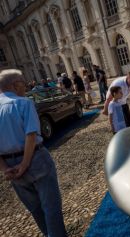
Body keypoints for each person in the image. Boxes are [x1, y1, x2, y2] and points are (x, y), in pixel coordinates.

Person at [0, 69, 67, 237]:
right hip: (35, 160)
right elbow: (30, 135)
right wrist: (24, 164)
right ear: (15, 85)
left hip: (10, 166)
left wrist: (4, 169)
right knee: (51, 207)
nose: (25, 86)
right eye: (23, 82)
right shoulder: (23, 103)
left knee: (36, 209)